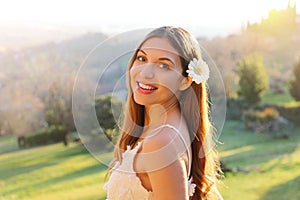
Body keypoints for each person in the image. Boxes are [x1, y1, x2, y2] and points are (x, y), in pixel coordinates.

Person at [103, 26, 223, 200]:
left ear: (185, 81)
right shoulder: (168, 130)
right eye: (142, 58)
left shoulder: (159, 143)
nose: (145, 73)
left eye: (164, 65)